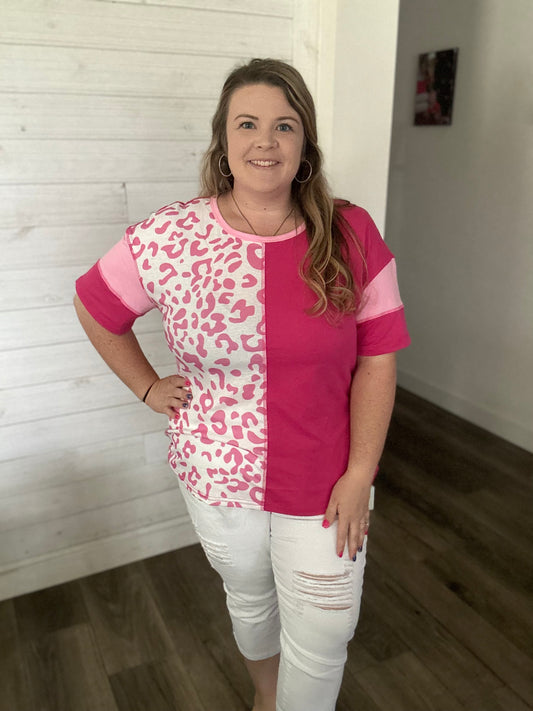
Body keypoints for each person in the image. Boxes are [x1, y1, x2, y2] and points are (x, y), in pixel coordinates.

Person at [74, 58, 410, 711]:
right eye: (247, 123)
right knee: (250, 596)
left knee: (323, 628)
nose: (265, 140)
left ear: (303, 144)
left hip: (326, 476)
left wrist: (360, 472)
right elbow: (94, 304)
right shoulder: (171, 235)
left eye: (283, 125)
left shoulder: (351, 232)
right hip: (218, 476)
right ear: (223, 142)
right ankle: (264, 694)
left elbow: (378, 358)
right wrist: (147, 386)